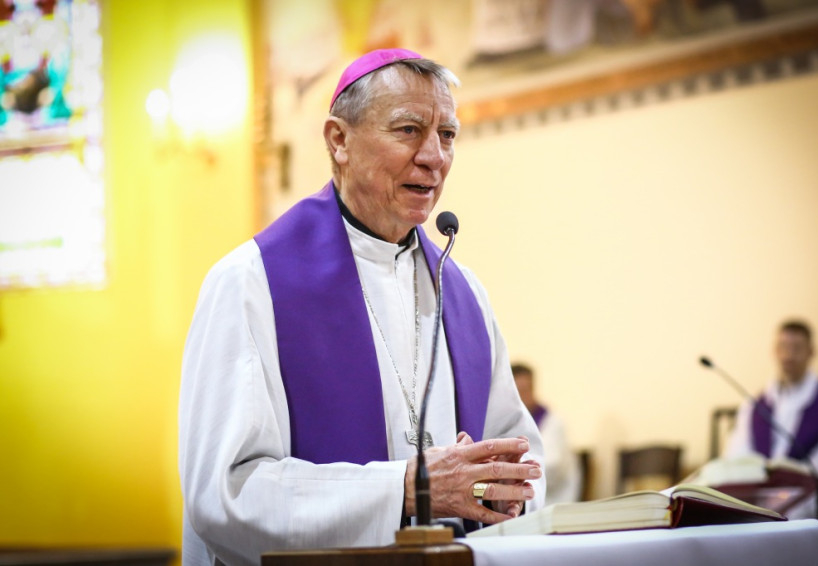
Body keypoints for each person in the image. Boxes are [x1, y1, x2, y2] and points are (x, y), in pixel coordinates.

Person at [178, 48, 545, 565]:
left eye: (447, 135)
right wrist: (406, 489)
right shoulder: (250, 283)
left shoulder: (463, 293)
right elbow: (227, 494)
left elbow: (521, 456)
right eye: (409, 130)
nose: (434, 157)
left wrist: (506, 492)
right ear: (339, 140)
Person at [724, 319, 818, 520]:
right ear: (774, 351)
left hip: (810, 510)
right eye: (783, 347)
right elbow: (738, 455)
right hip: (760, 505)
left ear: (811, 352)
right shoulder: (754, 405)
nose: (788, 356)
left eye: (797, 348)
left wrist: (784, 499)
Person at [511, 362, 582, 504]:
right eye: (518, 391)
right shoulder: (511, 421)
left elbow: (550, 467)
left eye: (526, 390)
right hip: (524, 499)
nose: (523, 396)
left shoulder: (552, 423)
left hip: (552, 502)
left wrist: (509, 473)